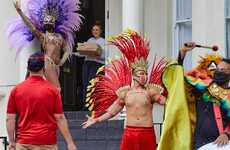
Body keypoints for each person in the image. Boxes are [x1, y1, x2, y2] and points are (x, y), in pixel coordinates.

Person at [82, 30, 167, 150]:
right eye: (141, 73)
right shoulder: (125, 93)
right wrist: (96, 119)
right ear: (134, 75)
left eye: (145, 73)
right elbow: (112, 112)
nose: (144, 76)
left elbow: (169, 103)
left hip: (147, 133)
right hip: (129, 133)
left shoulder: (151, 92)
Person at [158, 42, 230, 150]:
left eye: (223, 70)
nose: (218, 72)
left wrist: (227, 134)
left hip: (222, 145)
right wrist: (183, 52)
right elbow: (178, 79)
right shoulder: (202, 88)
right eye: (218, 69)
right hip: (199, 143)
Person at [6, 52, 77, 150]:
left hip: (24, 143)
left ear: (28, 68)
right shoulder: (53, 91)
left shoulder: (16, 90)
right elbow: (60, 118)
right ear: (44, 68)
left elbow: (10, 119)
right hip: (47, 143)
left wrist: (12, 142)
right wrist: (70, 143)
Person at [7, 0, 82, 89]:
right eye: (46, 21)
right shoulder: (43, 37)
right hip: (47, 63)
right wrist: (20, 12)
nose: (48, 22)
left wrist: (62, 61)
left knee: (50, 89)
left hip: (56, 66)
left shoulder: (60, 37)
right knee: (56, 89)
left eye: (50, 21)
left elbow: (67, 50)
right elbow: (31, 26)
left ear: (54, 23)